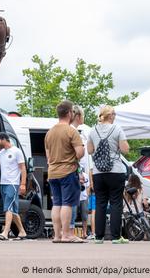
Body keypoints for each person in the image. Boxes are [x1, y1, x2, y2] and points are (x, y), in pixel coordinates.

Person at [87, 105, 130, 244]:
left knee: (100, 203)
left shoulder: (93, 130)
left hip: (99, 172)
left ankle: (98, 237)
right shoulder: (117, 129)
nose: (115, 116)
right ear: (110, 115)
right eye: (114, 114)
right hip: (115, 170)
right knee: (116, 203)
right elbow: (125, 149)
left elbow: (89, 150)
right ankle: (116, 237)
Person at [44, 100, 85, 243]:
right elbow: (80, 153)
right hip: (67, 171)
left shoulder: (49, 133)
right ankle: (67, 234)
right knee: (67, 203)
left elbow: (48, 157)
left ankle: (57, 235)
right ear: (69, 113)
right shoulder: (71, 131)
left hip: (53, 172)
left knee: (57, 204)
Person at [0, 132, 27, 240]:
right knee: (13, 210)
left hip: (13, 184)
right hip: (3, 183)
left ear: (3, 139)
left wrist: (23, 184)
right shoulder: (2, 152)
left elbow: (23, 168)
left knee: (8, 208)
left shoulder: (16, 151)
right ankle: (22, 231)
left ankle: (5, 232)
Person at [71, 105, 93, 239]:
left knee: (80, 207)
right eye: (82, 115)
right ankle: (70, 232)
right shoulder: (74, 133)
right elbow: (78, 156)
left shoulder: (79, 133)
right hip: (75, 173)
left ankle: (74, 232)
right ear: (78, 116)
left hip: (78, 174)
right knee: (71, 204)